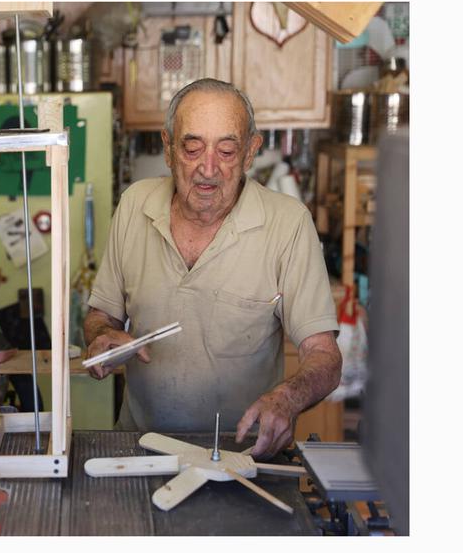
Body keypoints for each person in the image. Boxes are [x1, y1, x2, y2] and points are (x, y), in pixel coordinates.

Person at [84, 78, 342, 459]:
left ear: (251, 151)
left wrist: (288, 399)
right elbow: (100, 315)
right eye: (192, 148)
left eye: (226, 150)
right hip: (140, 448)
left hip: (243, 456)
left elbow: (325, 355)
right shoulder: (134, 205)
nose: (209, 168)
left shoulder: (288, 224)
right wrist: (103, 336)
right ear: (168, 148)